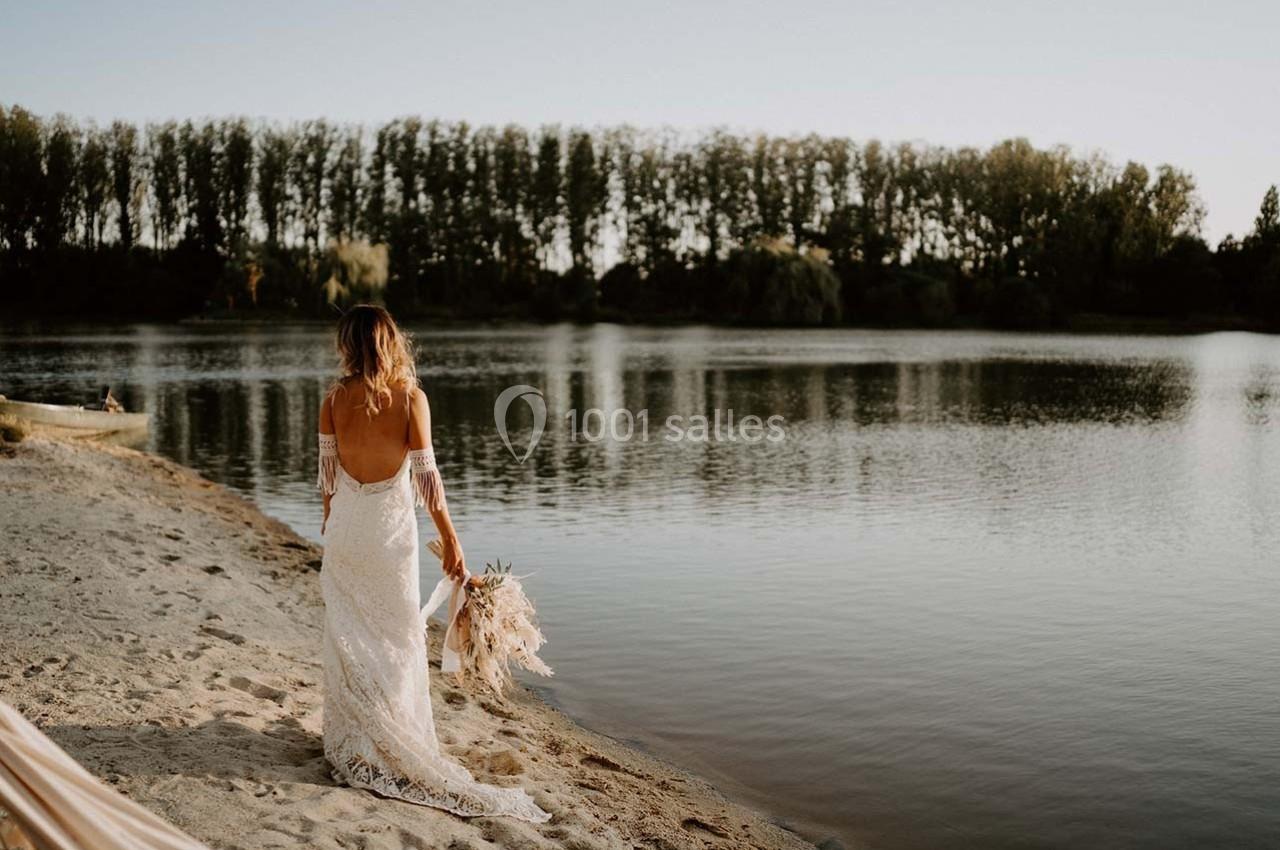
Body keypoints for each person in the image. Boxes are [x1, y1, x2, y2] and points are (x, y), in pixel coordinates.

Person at [316, 305, 549, 822]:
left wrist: (331, 530)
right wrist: (451, 540)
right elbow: (427, 481)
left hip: (346, 534)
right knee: (396, 637)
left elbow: (328, 482)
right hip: (387, 536)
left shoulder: (332, 401)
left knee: (349, 634)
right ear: (391, 342)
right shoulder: (410, 399)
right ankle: (390, 736)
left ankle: (353, 741)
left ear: (349, 346)